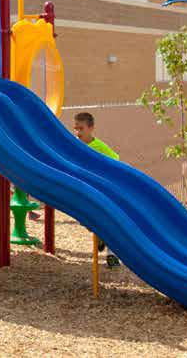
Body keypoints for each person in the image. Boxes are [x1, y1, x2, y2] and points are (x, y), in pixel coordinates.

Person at [74, 112, 121, 268]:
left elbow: (116, 160)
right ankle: (100, 235)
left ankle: (112, 254)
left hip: (100, 190)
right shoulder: (73, 145)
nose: (78, 132)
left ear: (91, 128)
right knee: (88, 220)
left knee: (109, 221)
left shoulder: (99, 147)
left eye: (81, 128)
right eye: (76, 128)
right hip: (83, 190)